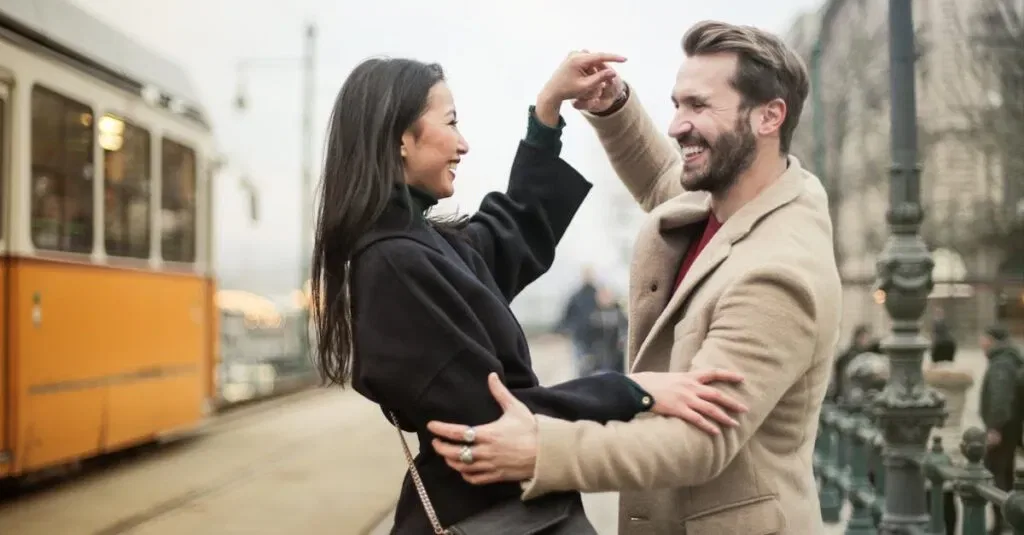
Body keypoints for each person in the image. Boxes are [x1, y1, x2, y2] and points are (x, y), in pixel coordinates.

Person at [427, 20, 842, 535]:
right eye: (676, 104)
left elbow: (699, 441)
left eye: (698, 106)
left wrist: (540, 449)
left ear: (768, 116)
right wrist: (612, 104)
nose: (676, 125)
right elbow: (665, 179)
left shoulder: (778, 270)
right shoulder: (733, 197)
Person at [309, 54, 748, 534]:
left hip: (498, 509)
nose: (463, 144)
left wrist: (547, 113)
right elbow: (501, 419)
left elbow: (509, 232)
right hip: (493, 513)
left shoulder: (417, 246)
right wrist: (634, 391)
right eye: (451, 123)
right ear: (400, 141)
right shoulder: (395, 264)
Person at [923, 337, 974, 535]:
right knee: (950, 496)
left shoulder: (928, 379)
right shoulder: (961, 380)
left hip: (933, 438)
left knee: (931, 494)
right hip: (954, 437)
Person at [979, 324, 1022, 535]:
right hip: (1010, 427)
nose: (981, 343)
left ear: (993, 340)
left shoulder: (1001, 364)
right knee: (1004, 472)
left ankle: (1003, 523)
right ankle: (1005, 522)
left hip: (1003, 427)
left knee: (996, 473)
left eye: (984, 338)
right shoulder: (1006, 360)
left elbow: (1000, 397)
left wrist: (994, 428)